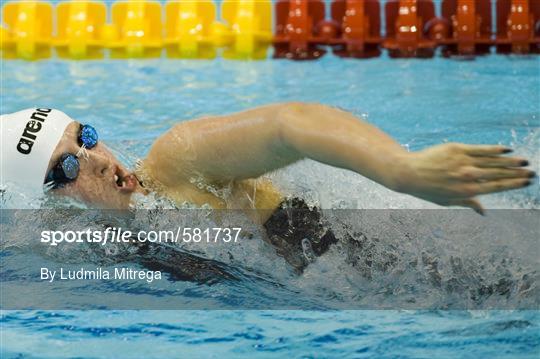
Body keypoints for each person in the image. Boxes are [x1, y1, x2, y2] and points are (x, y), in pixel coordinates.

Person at [1, 105, 534, 272]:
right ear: (48, 204)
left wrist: (402, 169)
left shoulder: (175, 162)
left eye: (85, 137)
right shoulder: (83, 243)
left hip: (405, 261)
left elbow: (289, 125)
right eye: (67, 169)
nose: (95, 159)